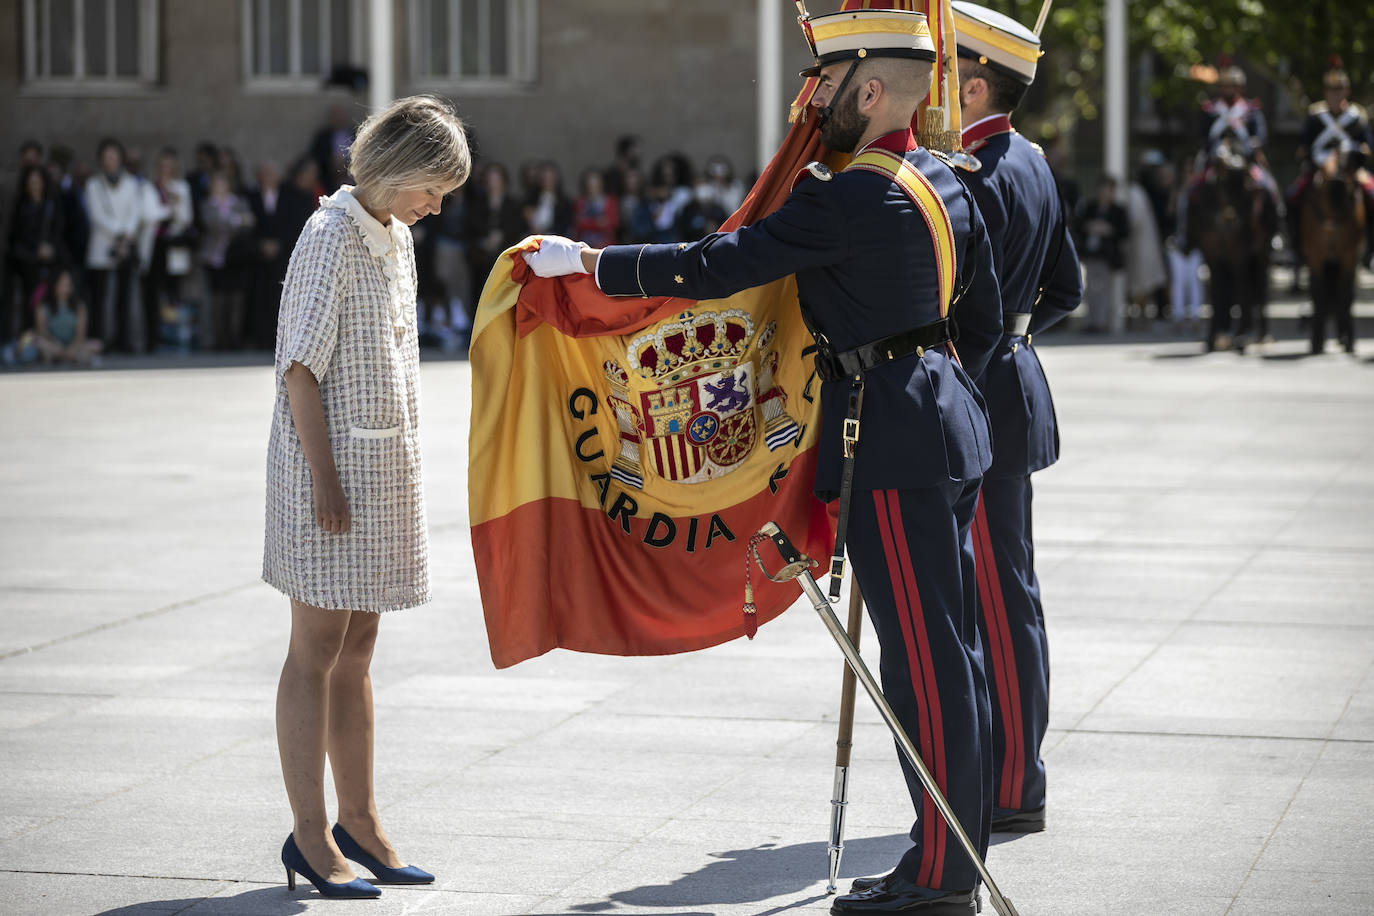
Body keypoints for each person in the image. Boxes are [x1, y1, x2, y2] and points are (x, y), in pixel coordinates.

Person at [526, 10, 1002, 913]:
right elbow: (977, 317)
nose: (812, 103)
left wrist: (590, 262)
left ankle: (944, 877)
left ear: (868, 90)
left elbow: (717, 265)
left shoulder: (847, 197)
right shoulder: (944, 180)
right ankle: (950, 854)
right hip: (947, 421)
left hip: (891, 437)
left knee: (923, 665)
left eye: (826, 86)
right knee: (954, 651)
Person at [264, 94, 470, 899]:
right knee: (314, 650)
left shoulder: (395, 237)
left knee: (357, 650)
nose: (437, 205)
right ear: (398, 168)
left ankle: (360, 820)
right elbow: (299, 367)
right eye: (433, 188)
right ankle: (310, 835)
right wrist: (323, 479)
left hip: (378, 478)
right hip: (331, 478)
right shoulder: (329, 236)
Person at [947, 0, 1081, 840]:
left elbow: (961, 306)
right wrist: (1017, 341)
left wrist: (986, 349)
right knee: (1011, 592)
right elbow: (1066, 288)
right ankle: (1014, 772)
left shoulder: (973, 174)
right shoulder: (1032, 162)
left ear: (974, 85)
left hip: (981, 396)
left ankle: (1014, 786)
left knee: (997, 599)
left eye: (947, 74)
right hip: (1015, 384)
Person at [1291, 57, 1374, 263]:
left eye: (1339, 90)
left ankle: (1370, 249)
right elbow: (1305, 146)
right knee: (1291, 196)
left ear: (1346, 91)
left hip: (1351, 170)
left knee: (1373, 195)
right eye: (1331, 91)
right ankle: (1297, 247)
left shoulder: (1357, 117)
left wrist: (1354, 151)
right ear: (1325, 92)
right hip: (1319, 170)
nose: (1335, 95)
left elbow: (1367, 147)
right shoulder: (1315, 116)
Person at [84, 137, 144, 351]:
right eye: (106, 157)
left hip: (125, 248)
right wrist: (120, 233)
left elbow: (135, 214)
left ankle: (123, 339)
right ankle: (99, 339)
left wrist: (126, 239)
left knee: (123, 296)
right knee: (99, 297)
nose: (109, 161)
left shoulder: (131, 183)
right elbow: (97, 216)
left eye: (113, 157)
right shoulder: (93, 185)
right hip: (102, 246)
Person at [139, 148, 195, 353]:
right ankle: (151, 339)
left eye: (170, 167)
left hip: (173, 246)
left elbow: (186, 218)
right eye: (162, 166)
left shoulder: (181, 188)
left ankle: (173, 339)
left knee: (173, 295)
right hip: (153, 246)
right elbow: (148, 215)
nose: (166, 170)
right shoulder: (148, 187)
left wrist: (176, 204)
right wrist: (170, 207)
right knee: (151, 294)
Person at [197, 171, 255, 350]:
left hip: (236, 257)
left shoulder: (239, 202)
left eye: (223, 183)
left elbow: (250, 222)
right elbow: (212, 224)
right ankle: (219, 338)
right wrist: (237, 220)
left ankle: (234, 337)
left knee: (236, 298)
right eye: (216, 183)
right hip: (214, 258)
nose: (220, 187)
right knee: (217, 299)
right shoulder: (207, 204)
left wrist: (229, 221)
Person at [463, 161, 527, 320]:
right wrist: (485, 238)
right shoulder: (478, 202)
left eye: (496, 179)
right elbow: (471, 226)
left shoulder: (512, 203)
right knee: (479, 284)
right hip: (480, 253)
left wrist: (501, 235)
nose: (493, 183)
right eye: (490, 179)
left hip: (505, 252)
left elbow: (517, 226)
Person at [6, 165, 66, 332]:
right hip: (26, 261)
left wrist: (50, 247)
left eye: (38, 182)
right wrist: (35, 247)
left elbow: (59, 229)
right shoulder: (21, 204)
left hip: (48, 261)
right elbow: (16, 233)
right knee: (28, 300)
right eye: (31, 183)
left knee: (46, 298)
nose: (35, 186)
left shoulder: (52, 204)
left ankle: (46, 334)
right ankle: (28, 334)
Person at [1075, 175, 1129, 334]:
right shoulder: (1090, 207)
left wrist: (1108, 229)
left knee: (1103, 290)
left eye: (1108, 189)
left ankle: (1100, 322)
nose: (1104, 192)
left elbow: (1124, 232)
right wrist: (1090, 226)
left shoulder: (1118, 210)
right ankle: (1090, 321)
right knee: (1089, 289)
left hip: (1106, 256)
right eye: (1102, 189)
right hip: (1090, 254)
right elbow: (1079, 225)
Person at [33, 267, 102, 367]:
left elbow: (80, 335)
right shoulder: (43, 306)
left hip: (72, 345)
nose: (65, 288)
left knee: (96, 344)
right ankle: (67, 357)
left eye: (67, 284)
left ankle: (61, 357)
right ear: (54, 284)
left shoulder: (79, 306)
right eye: (61, 284)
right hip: (53, 344)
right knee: (38, 342)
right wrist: (55, 344)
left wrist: (72, 347)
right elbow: (43, 332)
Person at [572, 167, 620, 249]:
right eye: (590, 183)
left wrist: (588, 222)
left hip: (606, 245)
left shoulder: (610, 201)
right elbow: (579, 223)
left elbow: (612, 223)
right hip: (584, 245)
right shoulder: (580, 202)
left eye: (596, 183)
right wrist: (597, 223)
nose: (593, 186)